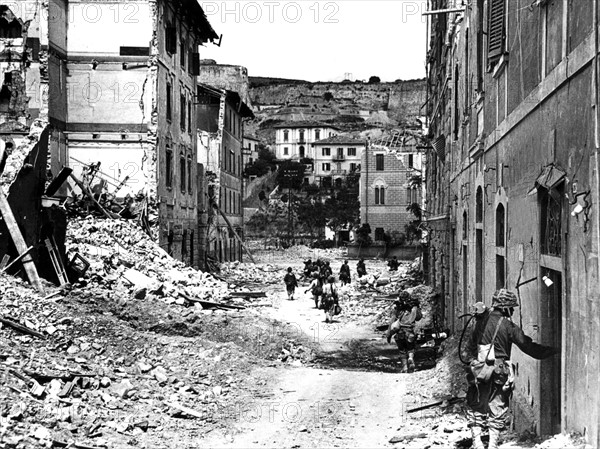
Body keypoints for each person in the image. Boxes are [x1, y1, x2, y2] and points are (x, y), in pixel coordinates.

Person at [463, 289, 558, 449]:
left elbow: (470, 346)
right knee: (497, 407)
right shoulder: (508, 326)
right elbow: (528, 347)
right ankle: (492, 445)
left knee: (476, 405)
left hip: (479, 370)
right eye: (511, 307)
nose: (513, 310)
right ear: (505, 308)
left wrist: (473, 362)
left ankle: (477, 444)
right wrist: (553, 351)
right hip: (499, 372)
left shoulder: (480, 322)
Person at [386, 291, 422, 373]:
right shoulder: (413, 307)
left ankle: (405, 368)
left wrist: (388, 335)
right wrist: (417, 308)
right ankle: (410, 358)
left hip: (399, 332)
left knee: (402, 350)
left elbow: (392, 321)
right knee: (411, 348)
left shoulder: (397, 308)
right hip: (410, 331)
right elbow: (418, 318)